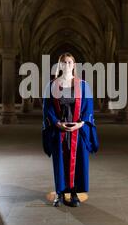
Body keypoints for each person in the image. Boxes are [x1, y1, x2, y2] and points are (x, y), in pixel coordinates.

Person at [42, 53, 99, 207]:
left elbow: (89, 108)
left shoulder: (83, 85)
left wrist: (80, 124)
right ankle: (59, 193)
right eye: (63, 62)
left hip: (77, 130)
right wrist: (56, 123)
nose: (66, 65)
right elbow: (47, 109)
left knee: (78, 161)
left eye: (69, 62)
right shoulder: (52, 85)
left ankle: (74, 193)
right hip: (59, 130)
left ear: (74, 65)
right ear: (59, 65)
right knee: (60, 161)